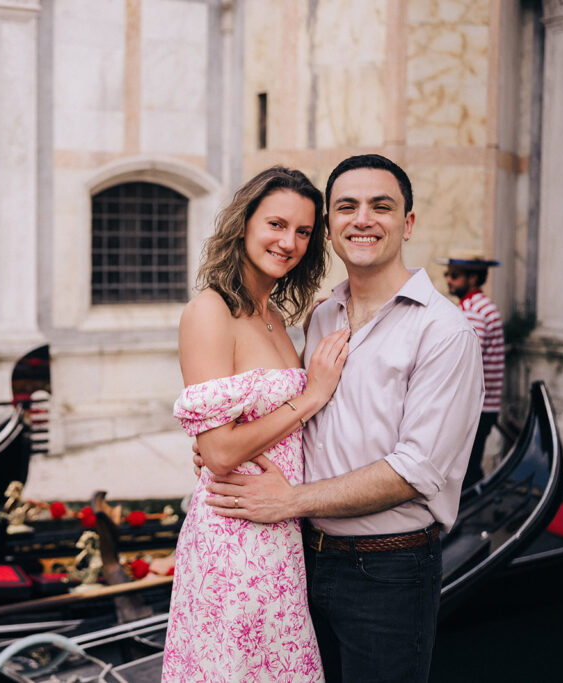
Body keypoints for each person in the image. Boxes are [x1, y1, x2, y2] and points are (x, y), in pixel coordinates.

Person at [197, 154, 484, 683]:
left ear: (408, 223)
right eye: (346, 207)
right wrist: (225, 445)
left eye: (382, 206)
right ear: (330, 228)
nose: (363, 219)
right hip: (299, 559)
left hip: (388, 572)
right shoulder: (322, 315)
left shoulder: (445, 332)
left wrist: (289, 500)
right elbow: (298, 424)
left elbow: (415, 470)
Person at [162, 166, 350, 682]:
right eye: (276, 224)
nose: (288, 242)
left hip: (281, 533)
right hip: (233, 541)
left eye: (304, 232)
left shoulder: (276, 319)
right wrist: (311, 396)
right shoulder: (210, 311)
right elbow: (220, 453)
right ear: (244, 224)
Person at [437, 253, 504, 488]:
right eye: (448, 275)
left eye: (454, 276)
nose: (449, 280)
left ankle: (467, 519)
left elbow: (463, 361)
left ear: (473, 278)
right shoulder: (476, 306)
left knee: (463, 471)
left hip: (475, 407)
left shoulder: (475, 310)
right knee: (468, 468)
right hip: (481, 406)